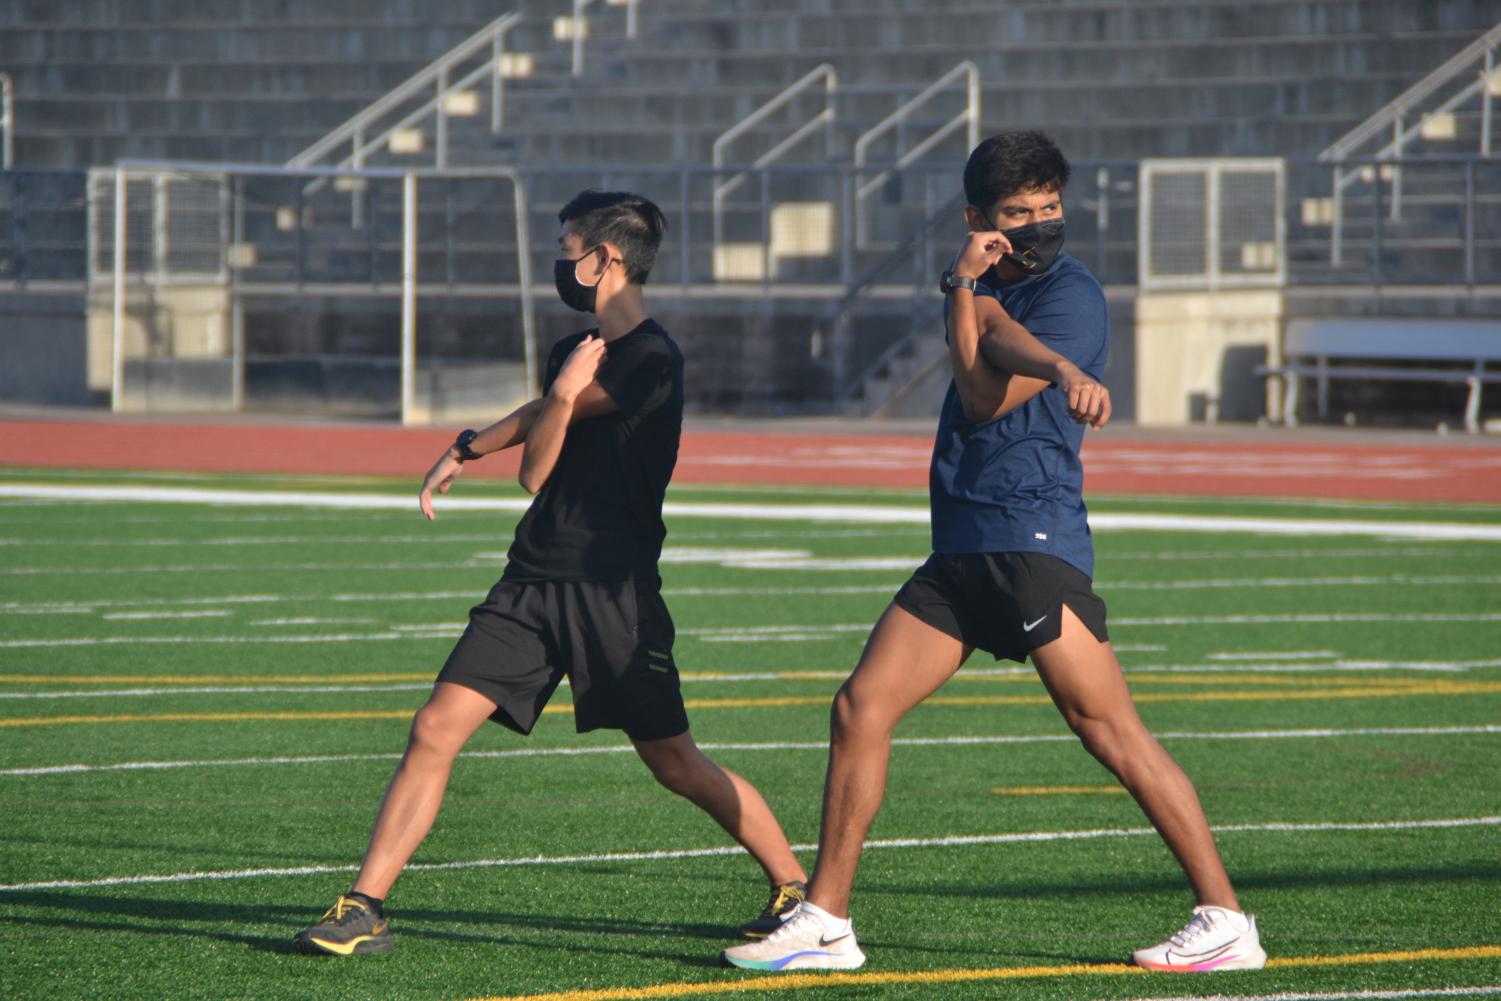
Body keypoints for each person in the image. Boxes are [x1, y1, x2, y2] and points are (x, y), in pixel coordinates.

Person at [723, 132, 1266, 974]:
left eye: (1051, 207)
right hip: (966, 541)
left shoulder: (1071, 293)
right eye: (1020, 212)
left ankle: (1225, 916)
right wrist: (966, 287)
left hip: (1029, 536)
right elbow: (981, 332)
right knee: (859, 706)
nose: (1042, 223)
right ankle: (826, 918)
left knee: (1108, 729)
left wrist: (1011, 326)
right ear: (978, 218)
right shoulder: (978, 287)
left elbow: (981, 393)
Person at [294, 191, 807, 956]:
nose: (560, 261)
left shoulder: (654, 359)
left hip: (613, 592)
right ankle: (363, 907)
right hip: (532, 582)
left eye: (569, 247)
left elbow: (538, 467)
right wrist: (465, 447)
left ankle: (794, 886)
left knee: (672, 759)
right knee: (434, 726)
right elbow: (541, 412)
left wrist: (562, 395)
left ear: (608, 259)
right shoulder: (574, 347)